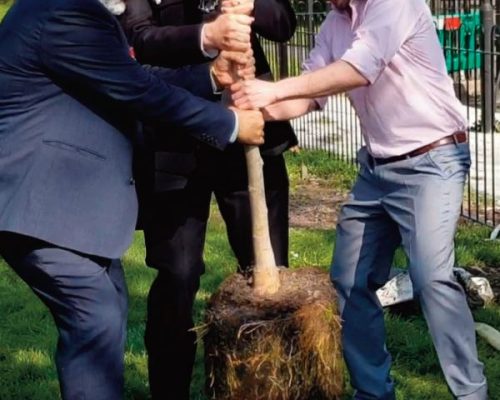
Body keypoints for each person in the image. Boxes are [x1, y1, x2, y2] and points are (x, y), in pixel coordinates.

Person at [0, 0, 264, 398]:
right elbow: (137, 90)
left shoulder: (71, 11)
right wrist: (228, 124)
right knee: (95, 319)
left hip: (69, 213)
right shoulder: (64, 11)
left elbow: (128, 77)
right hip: (43, 207)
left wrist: (212, 75)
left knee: (106, 313)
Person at [231, 0, 489, 399]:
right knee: (350, 280)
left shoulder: (395, 4)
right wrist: (253, 104)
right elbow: (308, 94)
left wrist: (273, 88)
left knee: (431, 279)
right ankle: (372, 393)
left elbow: (358, 70)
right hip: (377, 169)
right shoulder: (336, 23)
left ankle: (471, 394)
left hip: (431, 160)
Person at [119, 0, 297, 398]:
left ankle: (268, 385)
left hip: (251, 130)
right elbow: (138, 39)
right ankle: (170, 391)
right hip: (175, 139)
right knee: (178, 276)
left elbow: (283, 23)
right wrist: (208, 39)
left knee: (268, 276)